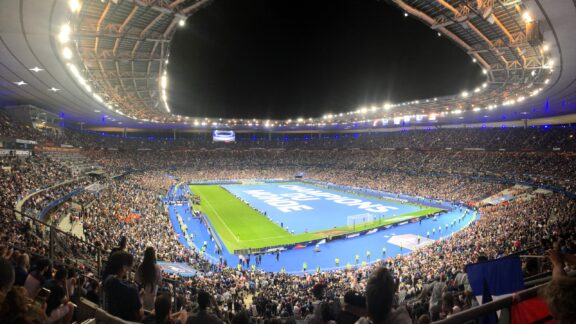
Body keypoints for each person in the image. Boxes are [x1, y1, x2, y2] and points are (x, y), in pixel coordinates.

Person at [103, 250, 144, 321]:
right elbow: (139, 316)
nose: (131, 268)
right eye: (129, 265)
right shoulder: (132, 290)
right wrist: (140, 298)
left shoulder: (108, 280)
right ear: (124, 267)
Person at [136, 247, 162, 312]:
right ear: (153, 256)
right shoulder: (157, 268)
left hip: (142, 292)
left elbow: (137, 280)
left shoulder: (141, 266)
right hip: (152, 294)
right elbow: (159, 282)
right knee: (150, 312)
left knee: (142, 310)